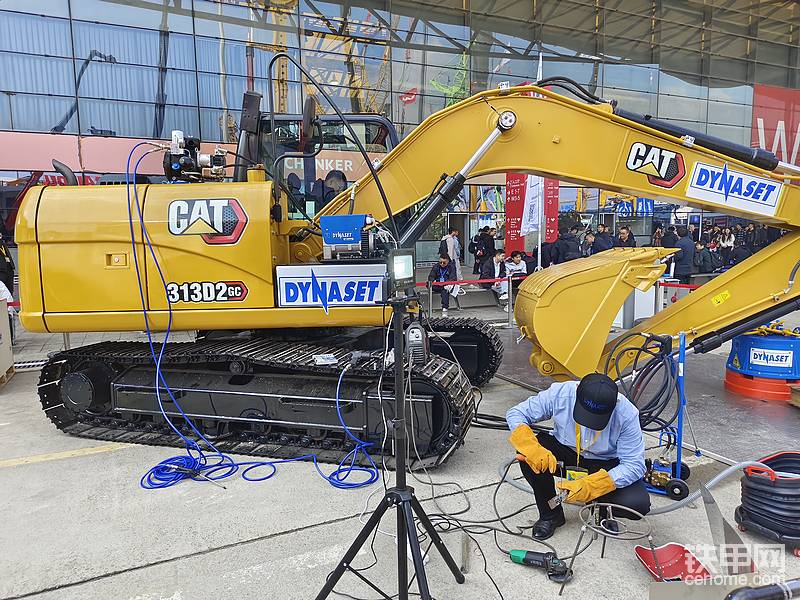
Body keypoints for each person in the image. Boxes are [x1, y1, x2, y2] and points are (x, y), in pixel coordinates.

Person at [506, 373, 649, 540]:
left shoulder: (626, 413)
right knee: (526, 456)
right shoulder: (562, 393)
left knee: (637, 503)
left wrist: (594, 485)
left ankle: (601, 511)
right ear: (577, 393)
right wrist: (530, 446)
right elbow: (516, 413)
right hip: (565, 453)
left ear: (614, 405)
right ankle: (551, 515)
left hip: (603, 462)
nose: (589, 422)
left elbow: (634, 465)